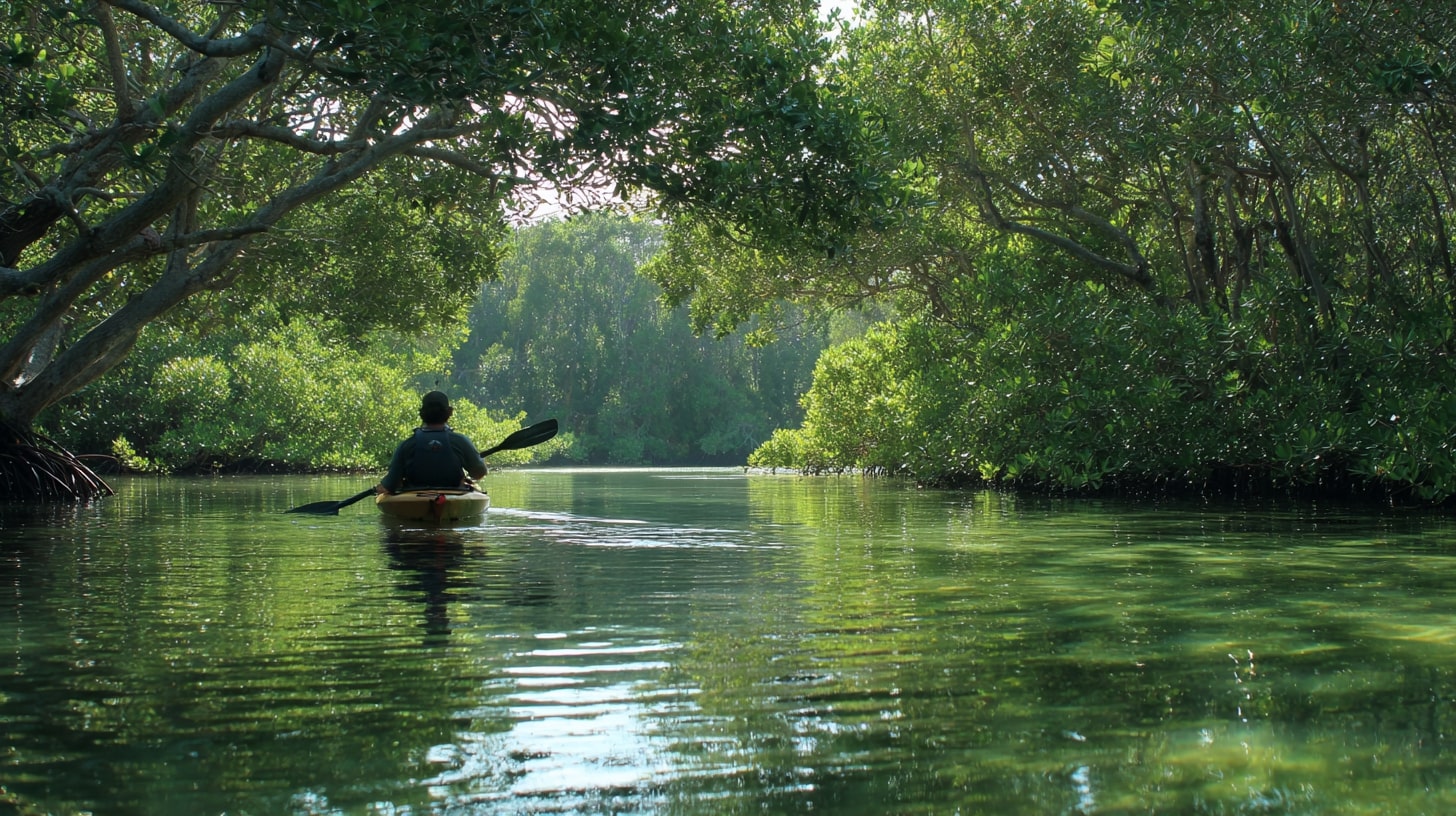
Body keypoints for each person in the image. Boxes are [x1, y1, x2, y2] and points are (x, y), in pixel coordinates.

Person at [376, 391, 488, 493]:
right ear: (449, 412)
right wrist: (481, 460)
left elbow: (390, 484)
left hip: (413, 497)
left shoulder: (407, 445)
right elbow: (479, 473)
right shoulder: (460, 441)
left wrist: (380, 487)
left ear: (421, 413)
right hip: (454, 492)